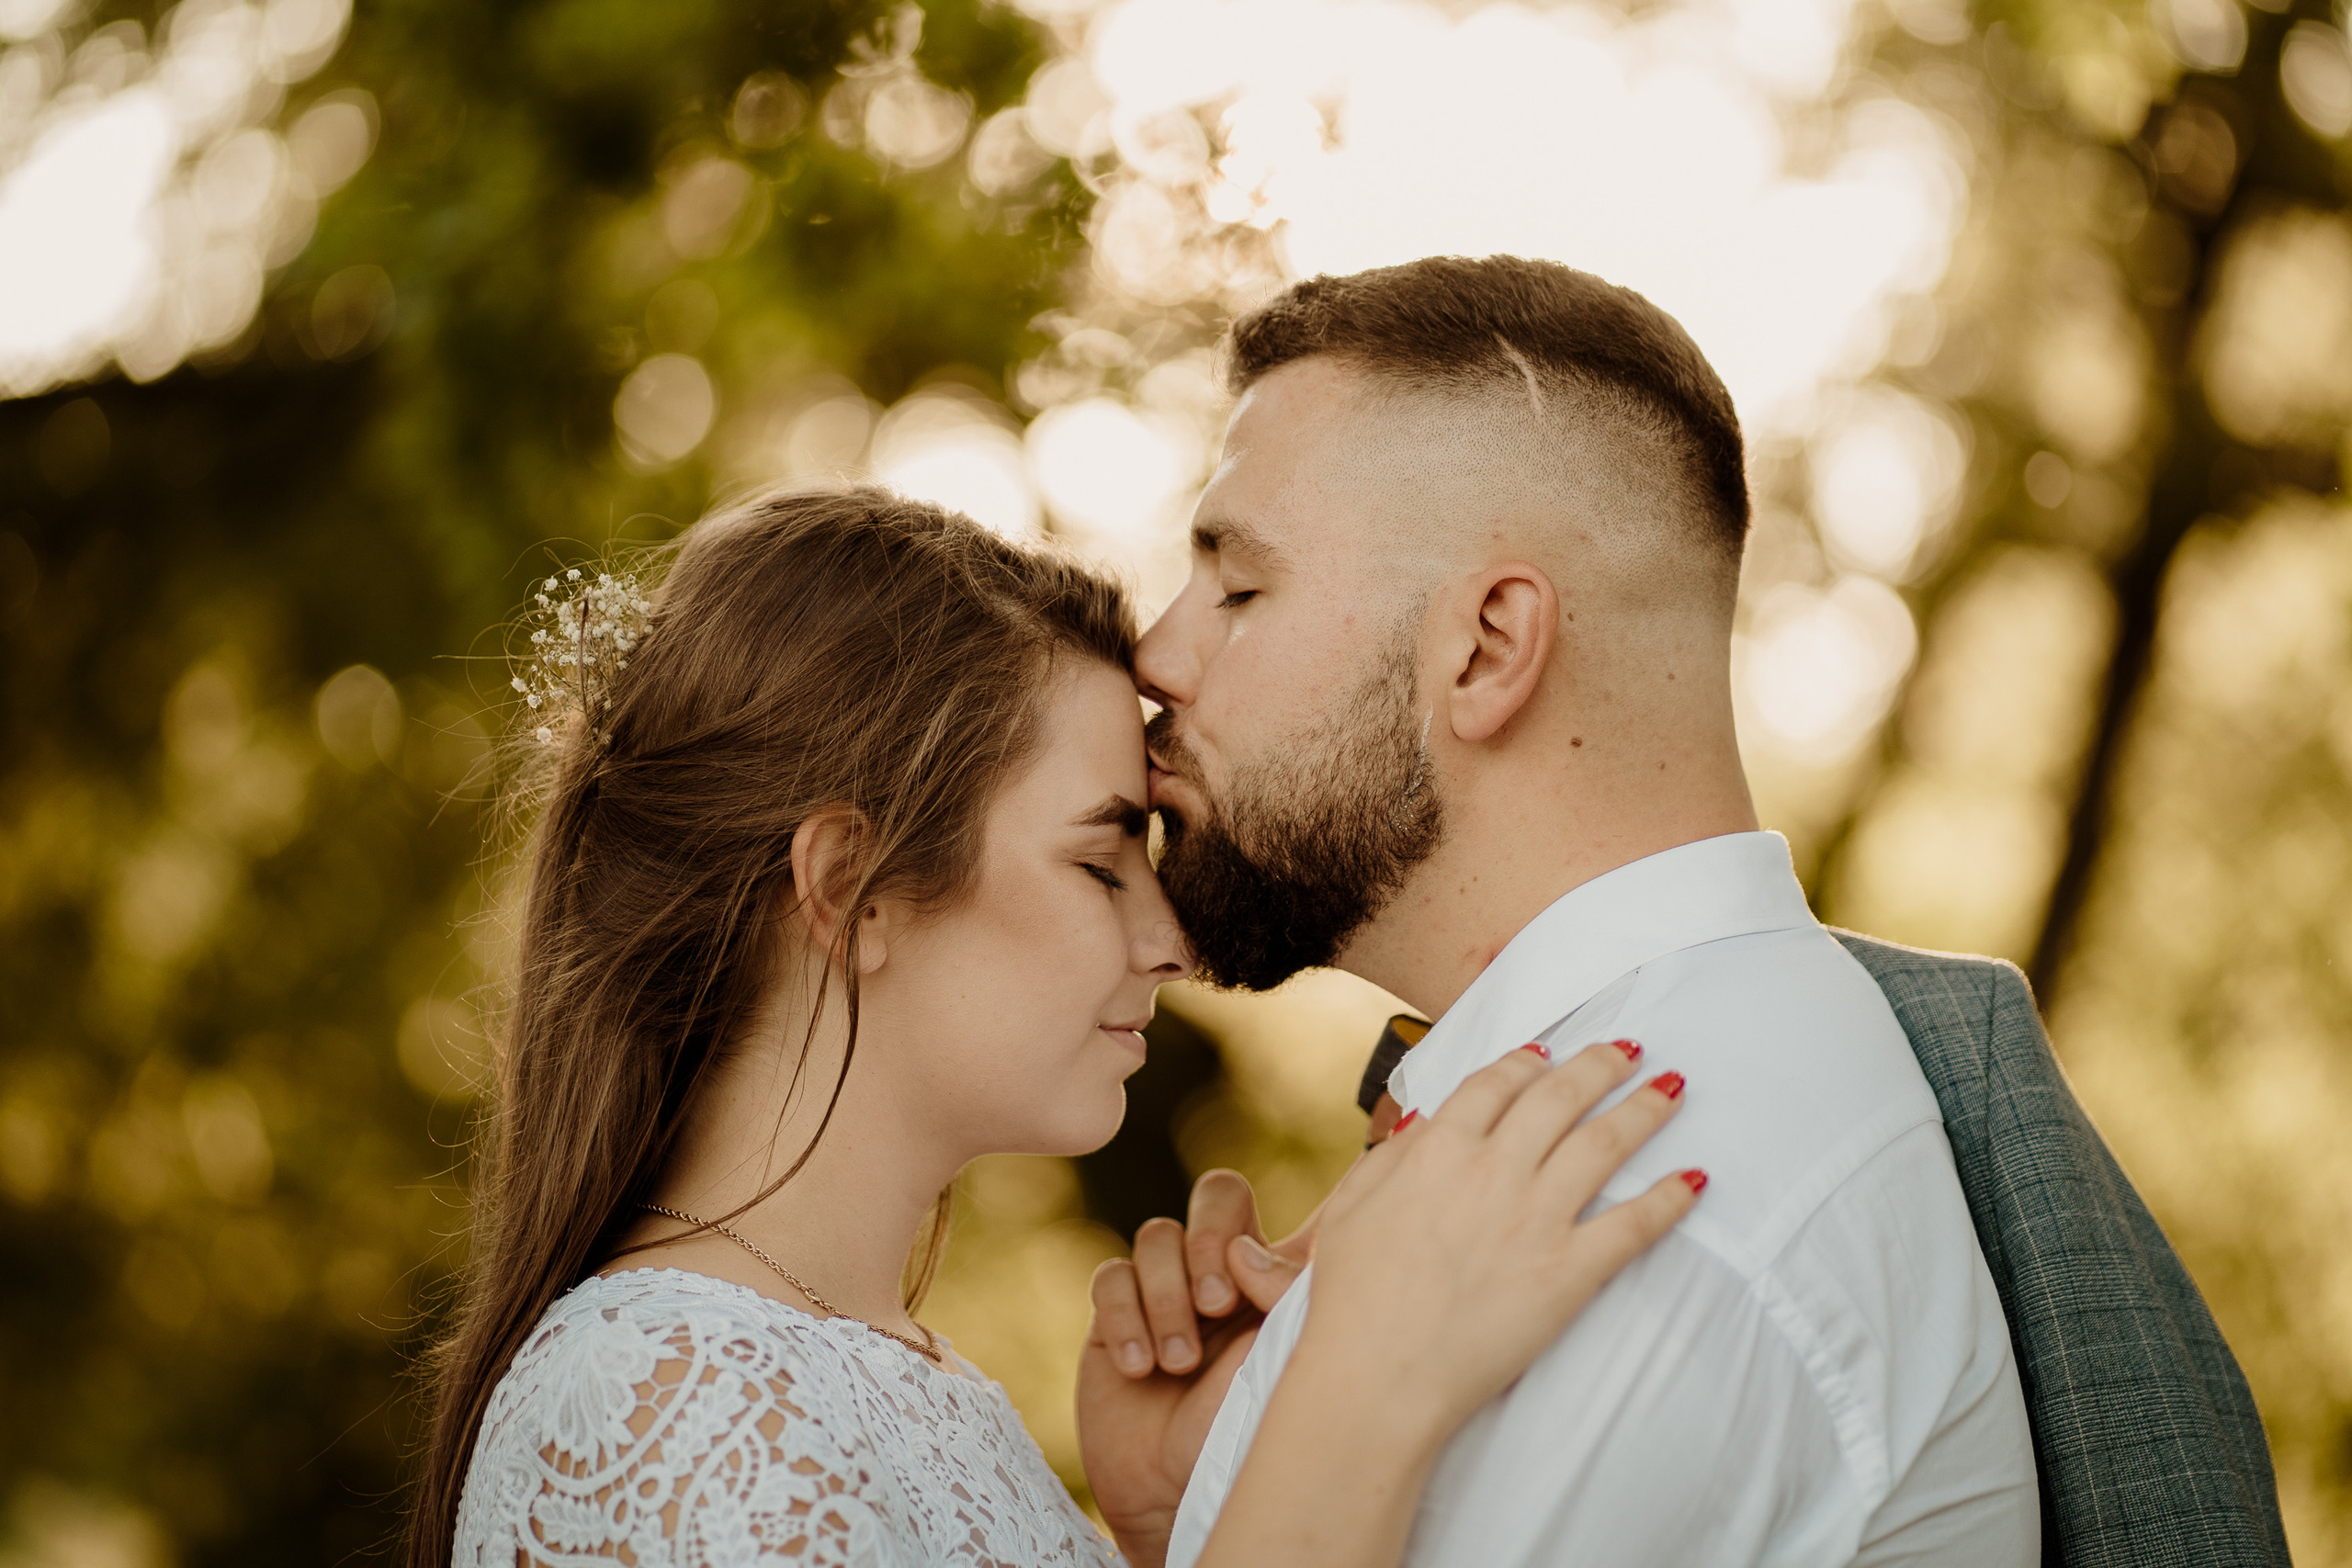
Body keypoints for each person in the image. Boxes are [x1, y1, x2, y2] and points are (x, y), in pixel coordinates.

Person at [1079, 254, 2290, 1567]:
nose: (1158, 655)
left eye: (1239, 586)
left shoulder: (1639, 1210)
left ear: (1485, 648)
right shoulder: (1579, 1134)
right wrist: (1174, 1519)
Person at [404, 486, 1712, 1568]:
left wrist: (1163, 1527)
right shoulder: (658, 1404)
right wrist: (1356, 1395)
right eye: (1101, 863)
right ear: (850, 891)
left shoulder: (881, 1376)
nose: (1174, 942)